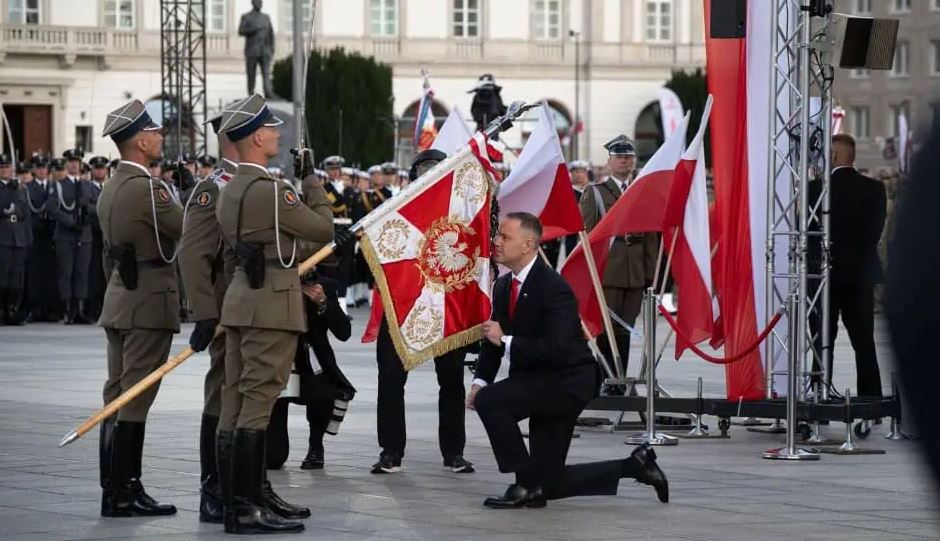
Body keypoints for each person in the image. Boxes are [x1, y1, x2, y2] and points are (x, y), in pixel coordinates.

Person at [467, 212, 668, 508]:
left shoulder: (553, 287)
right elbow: (492, 341)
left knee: (492, 401)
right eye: (498, 236)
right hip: (539, 381)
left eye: (504, 237)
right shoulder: (503, 285)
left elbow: (556, 347)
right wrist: (479, 381)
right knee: (550, 482)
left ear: (528, 245)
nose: (496, 242)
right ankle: (635, 466)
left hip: (568, 381)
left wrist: (506, 341)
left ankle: (525, 483)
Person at [214, 94, 334, 535]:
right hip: (271, 307)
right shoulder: (270, 190)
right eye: (271, 127)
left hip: (242, 301)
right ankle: (245, 508)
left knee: (236, 400)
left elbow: (267, 249)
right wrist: (311, 181)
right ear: (256, 136)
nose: (278, 133)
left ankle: (241, 500)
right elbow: (322, 228)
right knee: (259, 402)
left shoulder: (230, 190)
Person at [97, 99, 182, 518]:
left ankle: (112, 489)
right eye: (155, 132)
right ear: (141, 141)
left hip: (119, 298)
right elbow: (185, 226)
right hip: (148, 302)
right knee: (135, 398)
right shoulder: (149, 190)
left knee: (116, 393)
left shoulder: (111, 186)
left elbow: (108, 256)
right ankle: (126, 488)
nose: (161, 137)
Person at [370, 148, 475, 475]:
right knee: (390, 378)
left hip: (448, 304)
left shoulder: (461, 213)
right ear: (413, 176)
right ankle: (390, 451)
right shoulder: (395, 208)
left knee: (452, 381)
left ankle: (454, 452)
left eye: (437, 171)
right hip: (403, 303)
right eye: (424, 171)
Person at [178, 113, 239, 525]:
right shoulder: (211, 188)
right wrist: (203, 311)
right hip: (223, 307)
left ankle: (244, 485)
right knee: (221, 391)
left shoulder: (256, 183)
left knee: (246, 395)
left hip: (251, 305)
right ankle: (212, 489)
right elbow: (193, 253)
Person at [809, 134, 886, 398]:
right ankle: (871, 399)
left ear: (833, 156)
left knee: (822, 342)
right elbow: (875, 232)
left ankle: (820, 395)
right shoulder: (875, 189)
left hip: (823, 278)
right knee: (864, 343)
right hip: (860, 276)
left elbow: (807, 233)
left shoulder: (815, 189)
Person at [579, 136, 658, 374]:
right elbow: (587, 236)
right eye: (620, 157)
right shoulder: (596, 194)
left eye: (629, 157)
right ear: (609, 161)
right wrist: (590, 272)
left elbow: (652, 238)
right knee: (607, 327)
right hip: (607, 273)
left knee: (626, 327)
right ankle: (607, 376)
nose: (625, 161)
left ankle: (620, 376)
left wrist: (650, 273)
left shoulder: (643, 191)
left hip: (635, 273)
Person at [266, 270, 354, 470]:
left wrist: (323, 301)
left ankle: (316, 446)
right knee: (273, 458)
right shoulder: (273, 282)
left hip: (311, 362)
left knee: (323, 392)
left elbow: (344, 332)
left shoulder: (324, 285)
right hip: (280, 361)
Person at [49, 148, 94, 324]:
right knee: (66, 273)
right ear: (66, 164)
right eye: (71, 162)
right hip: (65, 235)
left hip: (84, 235)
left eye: (77, 162)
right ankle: (68, 310)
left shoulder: (88, 186)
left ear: (81, 164)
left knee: (82, 272)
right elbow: (51, 207)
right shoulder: (59, 185)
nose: (74, 165)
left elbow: (98, 206)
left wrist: (86, 214)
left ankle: (81, 309)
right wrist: (69, 221)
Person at [25, 154, 60, 322]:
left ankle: (50, 308)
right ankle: (36, 308)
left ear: (48, 170)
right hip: (36, 235)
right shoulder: (28, 187)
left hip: (51, 235)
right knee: (35, 274)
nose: (41, 171)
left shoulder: (54, 187)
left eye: (44, 167)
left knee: (50, 273)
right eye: (38, 168)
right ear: (34, 170)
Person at [0, 154, 30, 325]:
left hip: (18, 237)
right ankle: (2, 310)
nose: (5, 170)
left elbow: (25, 214)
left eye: (7, 167)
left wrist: (28, 240)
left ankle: (12, 309)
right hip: (3, 236)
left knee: (16, 276)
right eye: (2, 168)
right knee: (3, 275)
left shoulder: (19, 188)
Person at [85, 156, 109, 320]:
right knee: (93, 272)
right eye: (97, 168)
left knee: (106, 272)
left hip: (108, 236)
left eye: (102, 168)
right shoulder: (87, 188)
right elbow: (87, 207)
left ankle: (105, 305)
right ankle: (93, 306)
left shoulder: (110, 187)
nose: (100, 171)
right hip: (93, 235)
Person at [238, 0, 275, 97]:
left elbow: (271, 35)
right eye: (258, 2)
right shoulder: (246, 17)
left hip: (265, 50)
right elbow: (241, 31)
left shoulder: (266, 17)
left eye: (261, 2)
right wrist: (254, 29)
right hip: (252, 50)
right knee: (251, 74)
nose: (260, 4)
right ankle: (251, 94)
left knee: (266, 74)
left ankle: (268, 92)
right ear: (253, 3)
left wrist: (272, 49)